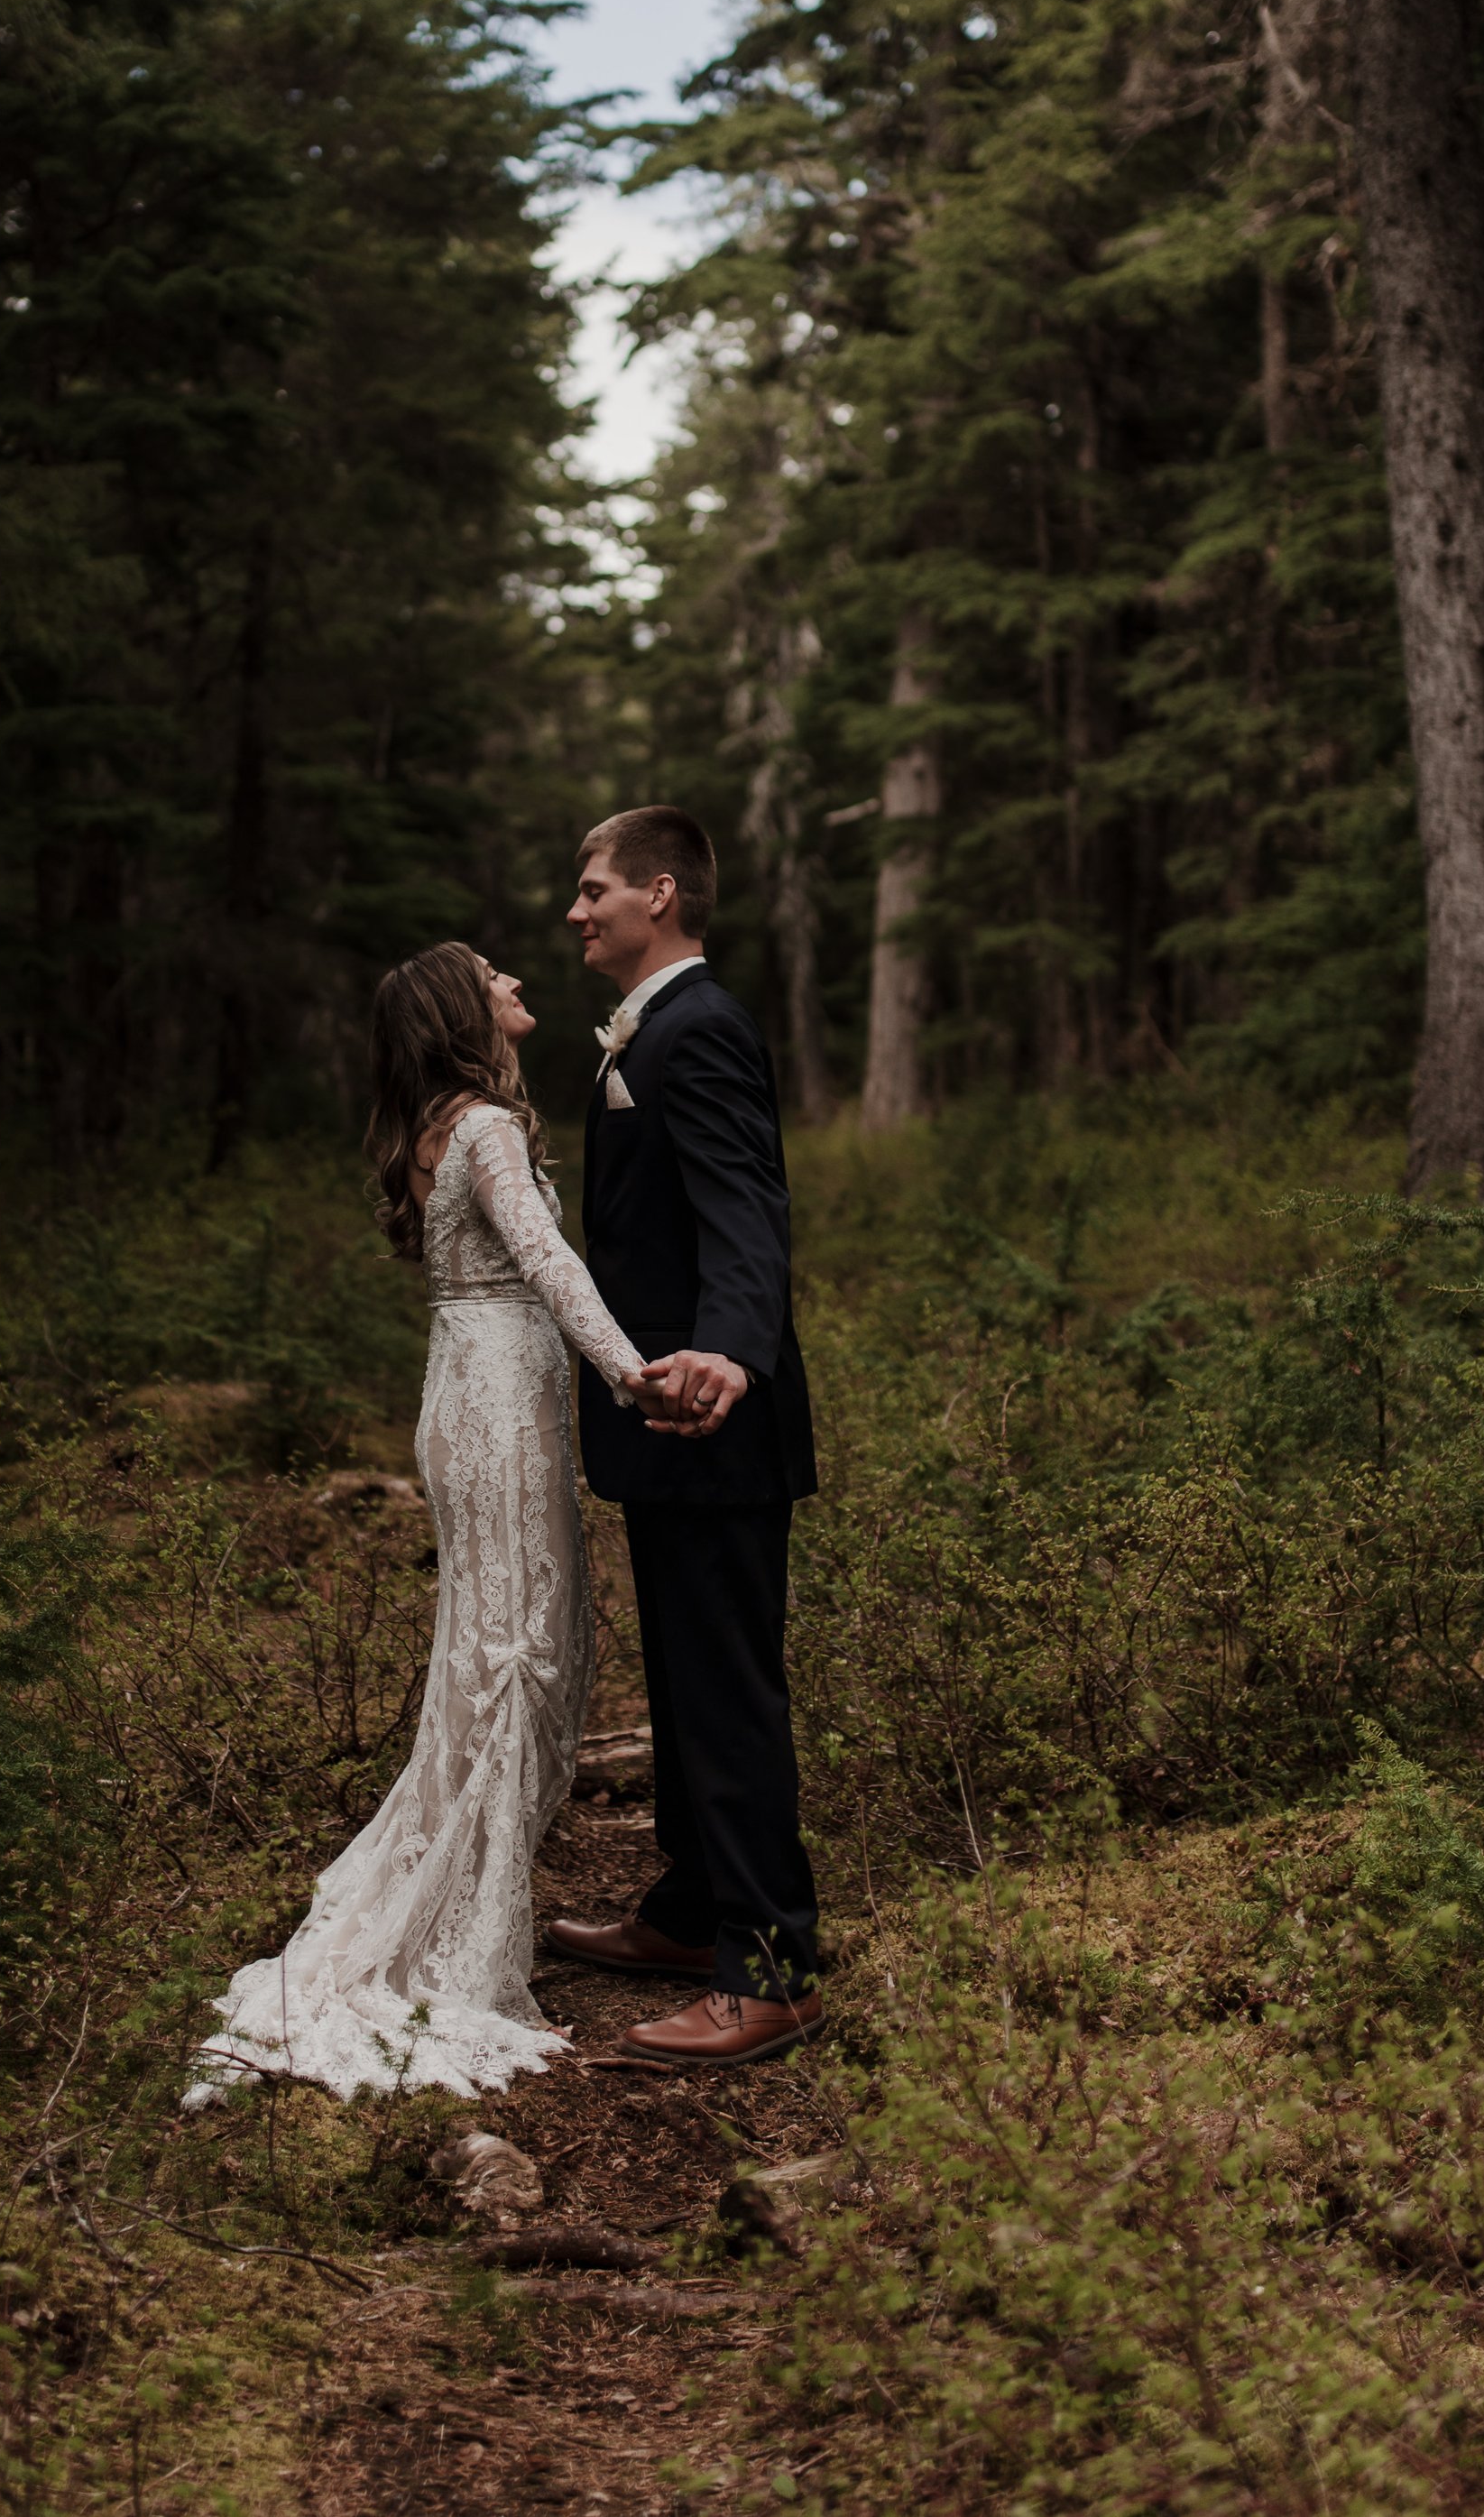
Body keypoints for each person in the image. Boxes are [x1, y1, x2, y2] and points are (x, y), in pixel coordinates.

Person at [186, 939, 650, 2103]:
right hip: (498, 1401)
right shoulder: (485, 1128)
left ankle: (473, 1887)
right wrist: (636, 1377)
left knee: (502, 1647)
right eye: (496, 976)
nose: (518, 985)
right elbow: (551, 1266)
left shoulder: (445, 1123)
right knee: (519, 1653)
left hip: (468, 1388)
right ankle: (459, 1929)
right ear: (462, 1009)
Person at [541, 805, 825, 2069]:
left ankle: (768, 1966)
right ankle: (688, 1907)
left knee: (727, 1692)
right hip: (667, 1411)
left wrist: (734, 1351)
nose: (576, 908)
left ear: (661, 891)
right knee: (682, 1681)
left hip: (711, 1411)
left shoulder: (697, 1028)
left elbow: (746, 1207)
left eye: (594, 886)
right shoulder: (654, 1026)